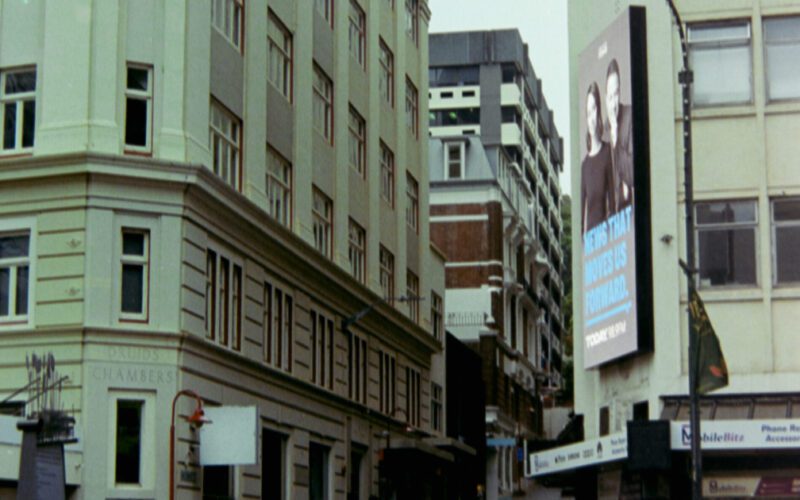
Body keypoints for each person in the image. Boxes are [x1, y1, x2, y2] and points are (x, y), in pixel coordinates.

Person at [581, 82, 614, 235]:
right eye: (588, 113)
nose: (592, 118)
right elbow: (582, 212)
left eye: (593, 109)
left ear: (599, 110)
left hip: (607, 237)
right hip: (591, 244)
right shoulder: (585, 166)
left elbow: (612, 201)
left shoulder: (608, 152)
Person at [604, 58, 634, 211]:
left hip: (630, 213)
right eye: (610, 96)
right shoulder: (601, 134)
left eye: (616, 94)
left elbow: (631, 175)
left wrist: (616, 142)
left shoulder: (630, 116)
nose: (614, 103)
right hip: (610, 224)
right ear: (605, 98)